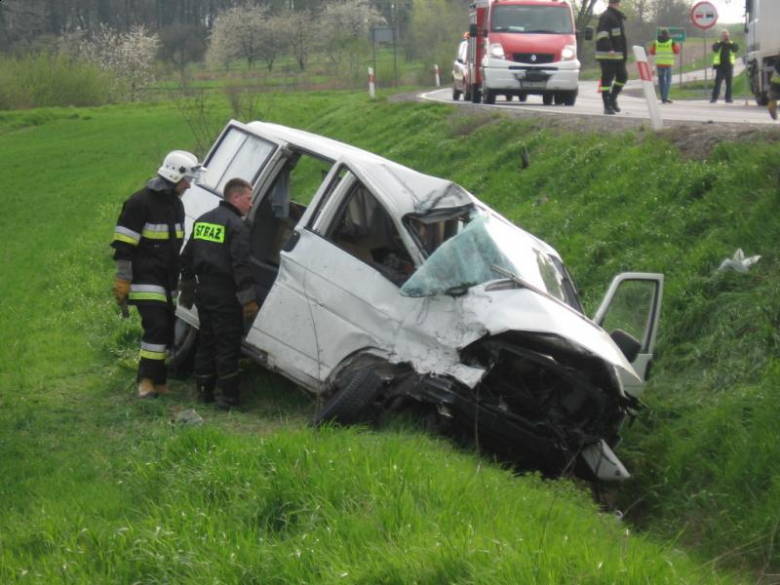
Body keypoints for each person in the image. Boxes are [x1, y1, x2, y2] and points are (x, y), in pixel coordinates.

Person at [112, 150, 204, 399]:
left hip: (167, 282)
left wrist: (185, 280)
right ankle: (145, 381)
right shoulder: (138, 203)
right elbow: (123, 246)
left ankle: (159, 380)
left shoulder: (177, 205)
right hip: (144, 279)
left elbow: (176, 248)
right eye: (187, 180)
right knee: (158, 327)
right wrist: (123, 279)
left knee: (165, 331)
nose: (188, 186)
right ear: (174, 175)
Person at [178, 178, 259, 410]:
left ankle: (204, 391)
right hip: (226, 295)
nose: (251, 204)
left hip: (204, 293)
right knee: (227, 345)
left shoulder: (203, 220)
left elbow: (186, 257)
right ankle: (229, 399)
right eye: (249, 199)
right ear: (235, 198)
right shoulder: (236, 226)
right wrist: (248, 300)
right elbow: (240, 267)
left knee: (207, 341)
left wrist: (188, 283)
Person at [596, 0, 628, 115]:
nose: (618, 5)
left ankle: (613, 98)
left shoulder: (617, 17)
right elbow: (602, 34)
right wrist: (609, 48)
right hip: (607, 55)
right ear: (613, 4)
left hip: (618, 55)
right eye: (617, 3)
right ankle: (607, 105)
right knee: (606, 80)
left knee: (622, 77)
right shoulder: (606, 16)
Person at [649, 28, 680, 104]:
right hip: (668, 64)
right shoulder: (671, 42)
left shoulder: (656, 42)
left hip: (659, 64)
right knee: (668, 80)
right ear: (667, 34)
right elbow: (676, 51)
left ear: (660, 33)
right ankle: (665, 97)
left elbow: (652, 52)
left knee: (661, 80)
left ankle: (663, 98)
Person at [710, 29, 739, 103]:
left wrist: (728, 43)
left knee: (729, 83)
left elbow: (736, 49)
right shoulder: (718, 43)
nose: (725, 37)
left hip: (729, 66)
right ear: (721, 36)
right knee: (718, 83)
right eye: (724, 36)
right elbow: (715, 49)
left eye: (727, 36)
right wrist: (722, 42)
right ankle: (714, 98)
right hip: (720, 67)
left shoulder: (732, 43)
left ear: (729, 36)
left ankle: (728, 98)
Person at [768, 56, 780, 120]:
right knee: (773, 98)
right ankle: (772, 111)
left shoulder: (778, 62)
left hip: (775, 83)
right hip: (776, 83)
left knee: (773, 99)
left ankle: (772, 111)